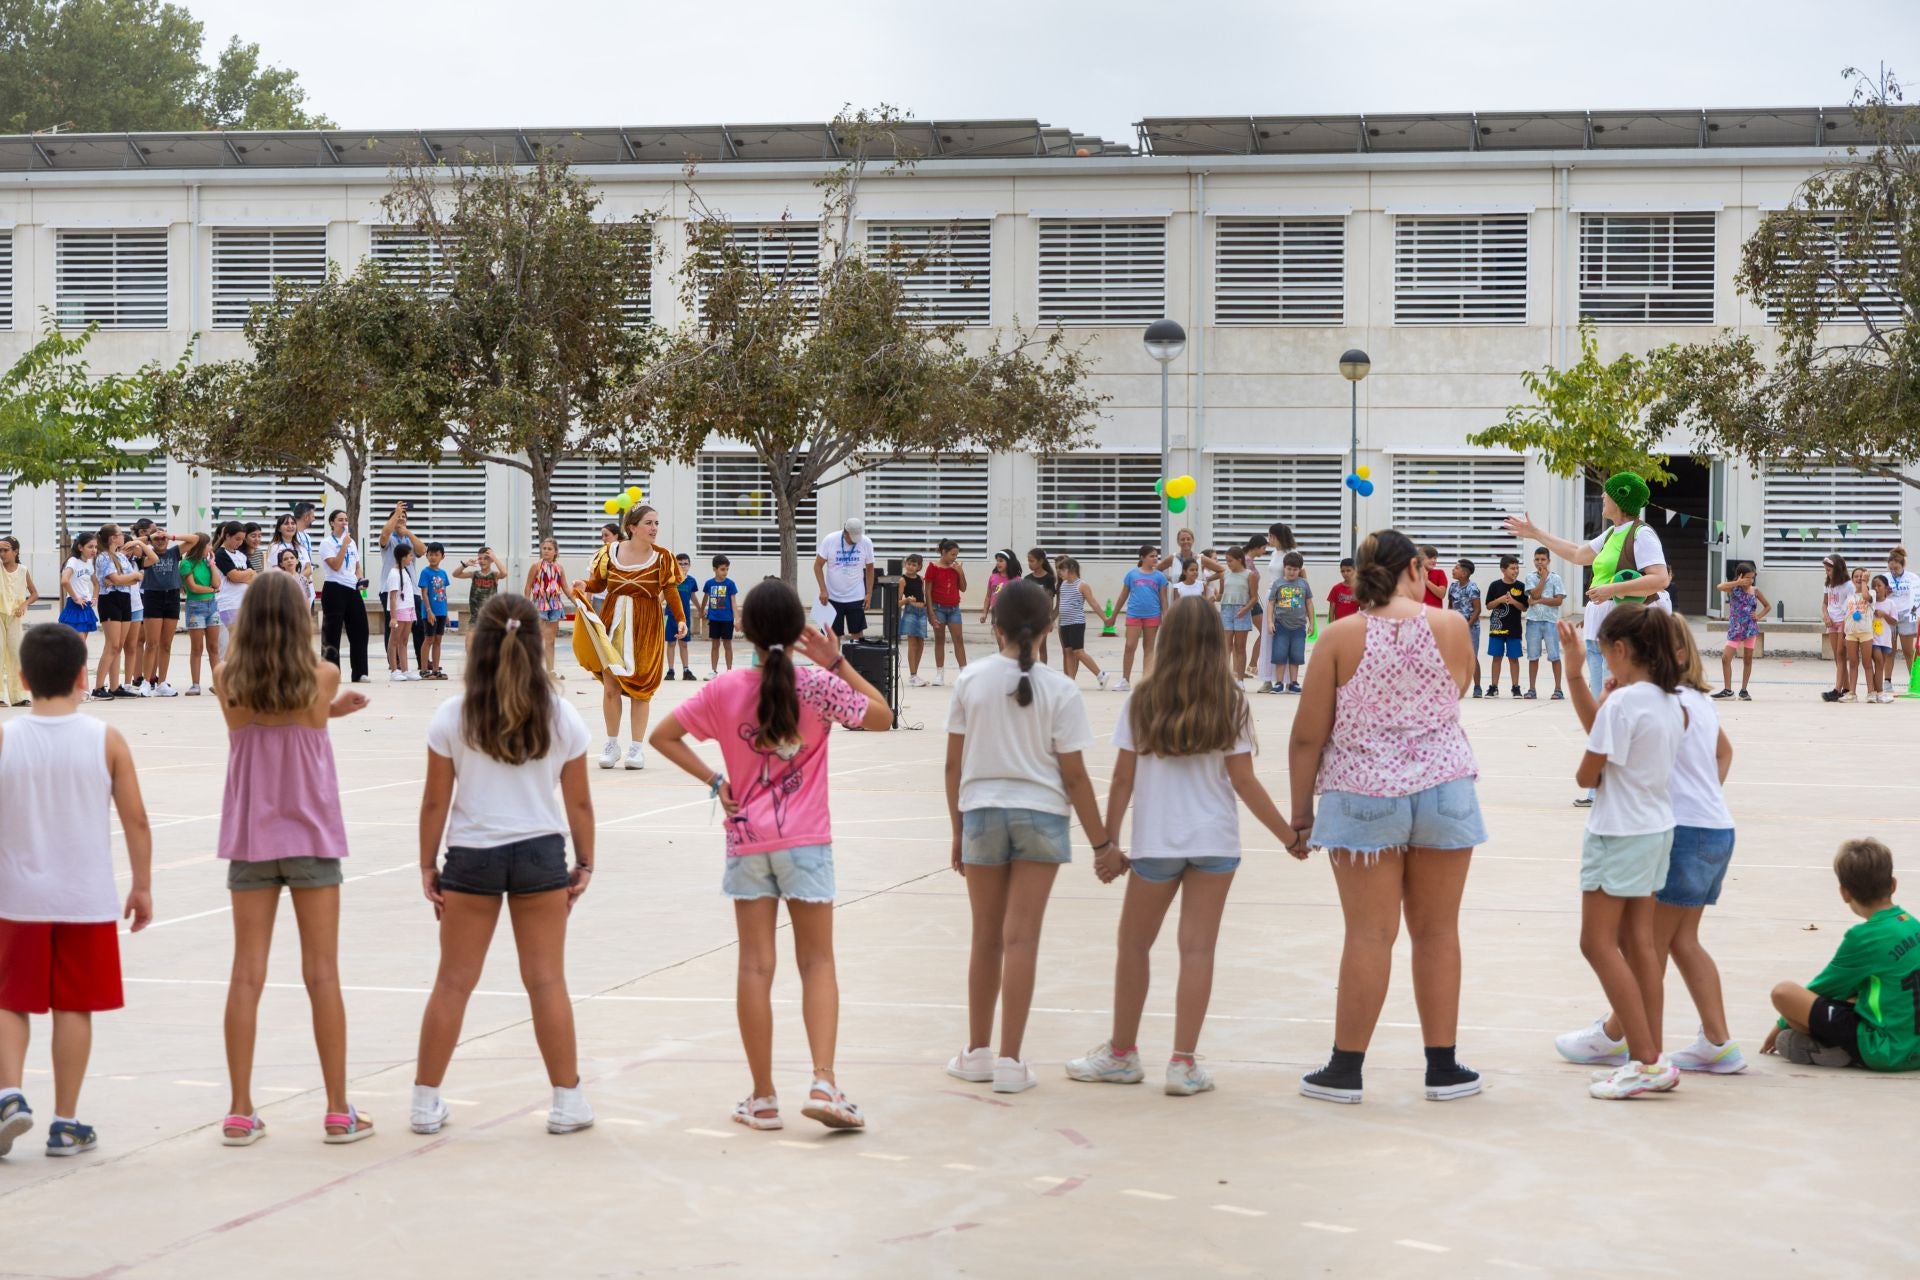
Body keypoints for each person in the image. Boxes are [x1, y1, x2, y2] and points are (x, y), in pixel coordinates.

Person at [649, 580, 892, 1131]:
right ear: (797, 628)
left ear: (743, 629)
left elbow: (664, 736)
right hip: (807, 843)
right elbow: (881, 715)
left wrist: (716, 781)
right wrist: (836, 662)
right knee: (817, 962)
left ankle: (762, 1098)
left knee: (756, 966)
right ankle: (824, 1082)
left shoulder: (723, 689)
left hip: (748, 842)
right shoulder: (818, 686)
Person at [1067, 598, 1305, 1097]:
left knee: (1134, 945)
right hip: (1215, 841)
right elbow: (1244, 781)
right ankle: (1183, 1063)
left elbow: (1123, 778)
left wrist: (1107, 844)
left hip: (1157, 842)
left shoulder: (1144, 698)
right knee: (1197, 949)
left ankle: (1122, 1054)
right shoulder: (1230, 699)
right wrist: (1289, 837)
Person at [1288, 530, 1487, 1106]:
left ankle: (1345, 1069)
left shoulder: (1339, 635)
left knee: (1369, 934)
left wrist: (1301, 815)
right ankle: (1443, 1068)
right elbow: (1459, 688)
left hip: (1361, 792)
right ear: (1415, 569)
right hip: (1444, 787)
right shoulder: (1450, 625)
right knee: (1438, 930)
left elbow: (1307, 736)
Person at [413, 594, 597, 1137]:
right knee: (546, 981)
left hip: (473, 855)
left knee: (453, 982)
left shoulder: (454, 714)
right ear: (539, 642)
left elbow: (434, 802)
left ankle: (425, 1102)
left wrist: (427, 865)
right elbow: (579, 803)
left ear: (478, 642)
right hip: (540, 853)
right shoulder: (561, 715)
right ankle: (568, 1102)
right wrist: (585, 862)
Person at [211, 572, 374, 1147]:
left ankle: (239, 1110)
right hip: (310, 835)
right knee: (322, 973)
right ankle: (337, 1109)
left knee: (246, 973)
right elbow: (303, 712)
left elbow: (264, 721)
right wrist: (332, 711)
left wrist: (328, 712)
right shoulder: (322, 677)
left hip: (251, 837)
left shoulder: (226, 678)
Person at [1557, 615, 1746, 1075]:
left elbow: (1596, 751)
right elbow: (1724, 752)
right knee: (1681, 941)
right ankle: (1717, 1041)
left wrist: (1578, 678)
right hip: (1715, 826)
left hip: (1674, 830)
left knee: (1647, 947)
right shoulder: (1693, 703)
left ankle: (1621, 1037)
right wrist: (1706, 795)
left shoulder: (1645, 701)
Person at [945, 581, 1110, 1093]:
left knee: (985, 937)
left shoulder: (970, 679)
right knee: (1021, 939)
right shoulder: (1061, 689)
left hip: (981, 811)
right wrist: (1102, 844)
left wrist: (957, 829)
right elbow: (1075, 776)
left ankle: (977, 1051)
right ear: (1049, 628)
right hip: (1041, 815)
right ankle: (1011, 1062)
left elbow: (953, 766)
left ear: (995, 626)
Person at [0, 624, 154, 1159]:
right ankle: (65, 1124)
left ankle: (9, 1094)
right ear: (84, 676)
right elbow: (136, 819)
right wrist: (142, 885)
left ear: (24, 678)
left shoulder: (6, 738)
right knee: (74, 1006)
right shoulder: (105, 739)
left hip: (17, 898)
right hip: (84, 899)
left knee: (9, 1000)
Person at [1559, 604, 1686, 1100]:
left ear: (1620, 649)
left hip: (1618, 832)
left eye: (1604, 653)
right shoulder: (1670, 701)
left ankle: (1646, 1059)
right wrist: (1588, 687)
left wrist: (1598, 695)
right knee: (1639, 946)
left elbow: (1587, 775)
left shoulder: (1623, 704)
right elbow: (1616, 747)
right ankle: (1651, 1056)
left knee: (1596, 944)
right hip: (1656, 829)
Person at [1504, 473, 1671, 804]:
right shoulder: (1612, 533)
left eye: (1607, 495)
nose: (1602, 499)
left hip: (1622, 636)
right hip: (1599, 636)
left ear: (1620, 500)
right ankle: (1602, 784)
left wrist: (1611, 589)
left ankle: (1616, 785)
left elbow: (1660, 579)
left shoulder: (1642, 534)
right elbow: (1578, 554)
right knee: (1601, 711)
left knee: (1615, 711)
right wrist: (1536, 533)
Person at [1764, 838, 1920, 1071]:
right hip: (1914, 1045)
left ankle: (1837, 1048)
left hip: (1886, 1051)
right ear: (1893, 884)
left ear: (1844, 893)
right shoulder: (1912, 924)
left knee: (1784, 993)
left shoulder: (1863, 937)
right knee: (1861, 991)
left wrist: (1780, 1024)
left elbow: (1821, 989)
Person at [573, 503, 686, 770]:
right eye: (649, 523)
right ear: (632, 527)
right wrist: (585, 585)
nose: (654, 528)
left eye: (656, 523)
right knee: (611, 687)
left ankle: (636, 748)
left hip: (647, 624)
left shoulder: (663, 557)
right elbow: (599, 583)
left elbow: (670, 590)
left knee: (642, 688)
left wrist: (681, 618)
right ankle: (612, 745)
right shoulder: (610, 552)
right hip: (614, 621)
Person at [92, 525, 146, 700]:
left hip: (124, 598)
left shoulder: (121, 556)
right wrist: (129, 578)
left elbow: (132, 580)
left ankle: (115, 686)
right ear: (113, 538)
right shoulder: (103, 557)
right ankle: (98, 686)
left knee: (119, 645)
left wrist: (126, 579)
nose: (124, 536)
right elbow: (116, 579)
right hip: (110, 600)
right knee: (112, 644)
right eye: (121, 534)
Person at [318, 510, 370, 684]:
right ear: (332, 522)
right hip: (334, 587)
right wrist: (344, 545)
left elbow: (357, 566)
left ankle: (360, 672)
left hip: (352, 588)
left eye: (346, 519)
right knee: (332, 633)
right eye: (340, 520)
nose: (344, 522)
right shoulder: (326, 543)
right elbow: (335, 565)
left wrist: (360, 578)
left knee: (360, 630)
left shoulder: (351, 542)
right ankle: (331, 673)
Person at [1115, 543, 1169, 692]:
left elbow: (1164, 600)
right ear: (1142, 558)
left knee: (1149, 649)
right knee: (1130, 646)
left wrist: (1166, 617)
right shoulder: (1132, 575)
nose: (1155, 558)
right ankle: (1125, 680)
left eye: (1156, 556)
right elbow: (1122, 596)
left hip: (1153, 616)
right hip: (1134, 615)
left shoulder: (1160, 577)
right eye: (1151, 556)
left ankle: (1146, 682)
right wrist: (1113, 616)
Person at [136, 528, 183, 696]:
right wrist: (150, 537)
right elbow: (133, 542)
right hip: (153, 596)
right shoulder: (146, 553)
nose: (161, 541)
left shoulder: (174, 552)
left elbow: (196, 539)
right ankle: (146, 681)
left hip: (172, 596)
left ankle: (162, 682)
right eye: (158, 539)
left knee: (166, 644)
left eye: (164, 538)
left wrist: (172, 535)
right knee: (152, 643)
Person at [813, 517, 876, 639]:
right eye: (851, 538)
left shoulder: (866, 542)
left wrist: (869, 593)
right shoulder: (830, 540)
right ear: (845, 532)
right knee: (833, 636)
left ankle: (856, 652)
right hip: (833, 597)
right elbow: (817, 566)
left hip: (856, 596)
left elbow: (870, 568)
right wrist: (823, 590)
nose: (854, 541)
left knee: (857, 634)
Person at [1714, 562, 1768, 700]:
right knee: (1726, 658)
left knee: (1748, 659)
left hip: (1750, 629)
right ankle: (1728, 691)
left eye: (1752, 577)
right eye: (1748, 577)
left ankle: (1744, 691)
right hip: (1735, 629)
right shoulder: (1734, 589)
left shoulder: (1755, 591)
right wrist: (1736, 583)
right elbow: (1719, 586)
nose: (1750, 580)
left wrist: (1758, 616)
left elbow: (1768, 606)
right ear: (1740, 576)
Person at [1254, 524, 1297, 692]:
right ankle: (1267, 679)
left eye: (1271, 536)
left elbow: (1301, 575)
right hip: (1271, 595)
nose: (1269, 539)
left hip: (1287, 595)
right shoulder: (1274, 554)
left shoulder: (1292, 554)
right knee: (1268, 636)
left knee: (1285, 637)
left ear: (1278, 537)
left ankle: (1287, 680)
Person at [1054, 557, 1107, 689]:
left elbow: (1093, 603)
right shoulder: (1063, 585)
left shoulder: (1082, 585)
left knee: (1078, 652)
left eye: (1062, 570)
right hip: (1064, 623)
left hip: (1076, 622)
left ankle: (1100, 674)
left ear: (1071, 569)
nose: (1059, 573)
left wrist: (1105, 619)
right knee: (1068, 652)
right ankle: (1071, 681)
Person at [178, 532, 221, 695]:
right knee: (197, 647)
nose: (210, 548)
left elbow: (217, 583)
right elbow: (193, 588)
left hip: (212, 606)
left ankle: (217, 683)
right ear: (199, 546)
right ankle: (195, 684)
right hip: (195, 606)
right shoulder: (186, 564)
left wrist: (212, 564)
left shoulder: (207, 563)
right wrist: (212, 590)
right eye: (208, 545)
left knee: (213, 647)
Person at [1266, 552, 1313, 694]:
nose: (1292, 572)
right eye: (1289, 568)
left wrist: (1312, 623)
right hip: (1281, 625)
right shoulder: (1278, 583)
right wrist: (1270, 621)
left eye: (1295, 569)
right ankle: (1279, 683)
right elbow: (1271, 603)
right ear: (1284, 568)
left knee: (1296, 656)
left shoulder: (1304, 584)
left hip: (1299, 627)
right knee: (1280, 655)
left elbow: (1309, 603)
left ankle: (1293, 683)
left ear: (1300, 570)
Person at [1522, 547, 1566, 700]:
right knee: (1533, 656)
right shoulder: (1530, 577)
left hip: (1550, 621)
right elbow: (1533, 594)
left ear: (1549, 561)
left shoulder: (1556, 578)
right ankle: (1532, 689)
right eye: (1537, 559)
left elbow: (1558, 601)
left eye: (1543, 559)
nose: (1540, 562)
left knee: (1554, 655)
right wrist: (1542, 579)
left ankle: (1558, 689)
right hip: (1533, 621)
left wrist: (1539, 600)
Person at [1484, 555, 1528, 699]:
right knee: (1496, 657)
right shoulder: (1495, 585)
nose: (1515, 571)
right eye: (1512, 568)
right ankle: (1493, 687)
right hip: (1497, 629)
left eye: (1517, 568)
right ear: (1503, 570)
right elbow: (1488, 606)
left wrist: (1514, 602)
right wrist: (1500, 600)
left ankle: (1515, 687)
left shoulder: (1521, 586)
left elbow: (1524, 607)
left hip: (1514, 629)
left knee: (1513, 658)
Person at [525, 538, 570, 679]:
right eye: (544, 548)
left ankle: (550, 671)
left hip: (555, 605)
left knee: (550, 640)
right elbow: (528, 587)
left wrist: (577, 602)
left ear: (555, 552)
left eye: (549, 549)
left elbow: (565, 587)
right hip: (539, 605)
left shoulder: (559, 568)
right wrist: (527, 606)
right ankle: (534, 670)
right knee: (537, 638)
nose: (546, 551)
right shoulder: (536, 566)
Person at [925, 540, 969, 683]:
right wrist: (930, 612)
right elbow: (927, 591)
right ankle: (940, 673)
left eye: (956, 555)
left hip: (954, 608)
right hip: (938, 608)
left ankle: (964, 672)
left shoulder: (955, 568)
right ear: (943, 552)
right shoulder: (933, 567)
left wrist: (960, 573)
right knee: (939, 639)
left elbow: (963, 588)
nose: (954, 558)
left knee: (958, 639)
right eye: (952, 554)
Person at [0, 537, 37, 706]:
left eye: (5, 550)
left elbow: (34, 593)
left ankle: (19, 696)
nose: (2, 554)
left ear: (15, 552)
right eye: (0, 550)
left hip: (14, 618)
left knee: (16, 655)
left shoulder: (23, 570)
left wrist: (24, 604)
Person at [57, 533, 99, 677]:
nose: (94, 550)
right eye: (90, 547)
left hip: (85, 606)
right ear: (80, 547)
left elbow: (96, 583)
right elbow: (64, 581)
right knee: (78, 647)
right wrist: (76, 597)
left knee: (80, 647)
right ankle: (74, 679)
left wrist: (95, 597)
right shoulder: (73, 561)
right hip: (75, 606)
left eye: (96, 547)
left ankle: (77, 680)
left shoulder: (89, 563)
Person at [212, 520, 256, 648]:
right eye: (237, 539)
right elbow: (234, 576)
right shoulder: (220, 554)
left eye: (242, 540)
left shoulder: (241, 556)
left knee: (242, 643)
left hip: (243, 603)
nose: (240, 543)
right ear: (227, 536)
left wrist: (244, 574)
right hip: (227, 603)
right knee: (230, 643)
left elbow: (255, 576)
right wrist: (247, 573)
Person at [1217, 545, 1257, 685]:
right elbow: (1221, 594)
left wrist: (1245, 609)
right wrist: (1212, 597)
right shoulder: (1224, 575)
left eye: (1230, 561)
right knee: (1226, 646)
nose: (1228, 564)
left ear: (1239, 559)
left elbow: (1254, 597)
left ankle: (1240, 680)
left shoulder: (1249, 575)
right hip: (1226, 610)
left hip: (1242, 611)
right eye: (1226, 561)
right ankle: (1225, 679)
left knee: (1240, 647)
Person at [1447, 558, 1483, 698]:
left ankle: (1477, 687)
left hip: (1471, 628)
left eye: (1456, 568)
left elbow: (1477, 609)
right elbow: (1450, 606)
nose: (1453, 570)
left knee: (1472, 657)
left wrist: (1467, 626)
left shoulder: (1472, 588)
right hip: (1455, 628)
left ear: (1464, 573)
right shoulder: (1453, 587)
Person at [385, 541, 419, 683]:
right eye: (410, 555)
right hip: (399, 611)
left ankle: (405, 670)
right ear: (402, 557)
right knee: (394, 641)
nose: (412, 558)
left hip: (409, 609)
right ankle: (394, 670)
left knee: (404, 641)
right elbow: (393, 597)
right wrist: (393, 617)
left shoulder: (405, 571)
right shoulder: (394, 574)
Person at [416, 544, 451, 680]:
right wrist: (429, 611)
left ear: (442, 556)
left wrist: (446, 613)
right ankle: (424, 670)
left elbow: (444, 593)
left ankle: (436, 670)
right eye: (430, 554)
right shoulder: (425, 572)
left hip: (441, 612)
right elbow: (424, 594)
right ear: (427, 556)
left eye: (436, 554)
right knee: (429, 639)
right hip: (430, 613)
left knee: (438, 640)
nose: (433, 557)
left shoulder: (443, 573)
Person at [1820, 554, 1851, 702]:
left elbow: (1851, 606)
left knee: (1841, 654)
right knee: (1837, 657)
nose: (1827, 573)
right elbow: (1825, 603)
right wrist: (1826, 615)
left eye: (1829, 570)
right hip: (1831, 623)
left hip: (1843, 622)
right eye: (1826, 570)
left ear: (1838, 569)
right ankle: (1847, 687)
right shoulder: (1828, 584)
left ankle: (1837, 690)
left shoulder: (1848, 585)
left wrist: (1844, 625)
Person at [664, 552, 699, 682]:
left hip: (685, 617)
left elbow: (693, 597)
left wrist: (701, 609)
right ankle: (670, 670)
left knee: (683, 644)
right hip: (670, 615)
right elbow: (663, 595)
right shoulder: (671, 580)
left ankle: (686, 670)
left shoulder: (691, 581)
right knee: (671, 643)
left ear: (689, 565)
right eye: (680, 564)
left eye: (686, 564)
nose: (683, 566)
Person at [1886, 547, 1917, 686]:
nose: (1893, 571)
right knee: (1889, 651)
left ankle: (1914, 682)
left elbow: (1918, 598)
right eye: (1891, 568)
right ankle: (1887, 682)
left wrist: (1917, 615)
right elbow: (1877, 596)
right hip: (1889, 617)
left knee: (1908, 652)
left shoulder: (1912, 578)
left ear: (1903, 565)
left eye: (1896, 568)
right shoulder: (1885, 578)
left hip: (1906, 616)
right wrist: (1884, 593)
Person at [900, 553, 931, 687]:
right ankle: (912, 675)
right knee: (912, 643)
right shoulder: (902, 580)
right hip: (911, 611)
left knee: (921, 643)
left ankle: (915, 674)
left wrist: (928, 609)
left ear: (919, 567)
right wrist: (907, 600)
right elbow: (897, 601)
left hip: (921, 612)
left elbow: (923, 595)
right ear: (905, 564)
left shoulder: (921, 579)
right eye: (908, 564)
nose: (910, 567)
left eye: (914, 565)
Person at [704, 555, 737, 679]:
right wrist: (702, 611)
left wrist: (737, 619)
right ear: (715, 569)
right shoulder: (709, 583)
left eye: (727, 569)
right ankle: (714, 671)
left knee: (727, 645)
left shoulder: (730, 584)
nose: (725, 572)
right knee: (715, 645)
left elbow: (733, 602)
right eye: (722, 569)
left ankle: (729, 671)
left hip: (727, 619)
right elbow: (705, 598)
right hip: (714, 619)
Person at [454, 546, 504, 626]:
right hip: (475, 619)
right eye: (480, 558)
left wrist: (495, 558)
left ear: (491, 560)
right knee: (471, 634)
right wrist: (465, 565)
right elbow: (455, 574)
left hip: (491, 618)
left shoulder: (494, 575)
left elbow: (504, 573)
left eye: (486, 558)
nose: (482, 561)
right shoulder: (474, 574)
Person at [1024, 549, 1057, 664]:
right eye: (1028, 561)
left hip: (1042, 618)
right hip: (1029, 618)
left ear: (1041, 561)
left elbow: (1050, 600)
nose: (1029, 564)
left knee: (1042, 647)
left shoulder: (1049, 579)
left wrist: (1050, 619)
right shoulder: (1027, 579)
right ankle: (1030, 669)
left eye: (1032, 561)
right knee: (1030, 647)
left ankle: (1043, 669)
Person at [1870, 574, 1900, 703]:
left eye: (1879, 585)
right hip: (1872, 639)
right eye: (1874, 586)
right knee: (1879, 662)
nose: (1876, 588)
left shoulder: (1890, 603)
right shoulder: (1870, 603)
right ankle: (1879, 692)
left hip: (1885, 640)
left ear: (1886, 588)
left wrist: (1884, 615)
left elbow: (1894, 621)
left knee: (1880, 666)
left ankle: (1875, 691)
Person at [981, 550, 1015, 625]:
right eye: (997, 561)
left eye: (1001, 561)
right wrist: (984, 614)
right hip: (996, 613)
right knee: (997, 632)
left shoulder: (1017, 579)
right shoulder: (993, 577)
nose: (998, 563)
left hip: (1012, 614)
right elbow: (988, 597)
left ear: (1009, 562)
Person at [1326, 557, 1358, 624]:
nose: (1345, 573)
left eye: (1348, 570)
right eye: (1343, 571)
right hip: (1339, 625)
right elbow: (1331, 610)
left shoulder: (1359, 589)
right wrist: (1331, 626)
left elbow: (1364, 609)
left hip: (1354, 625)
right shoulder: (1336, 588)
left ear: (1355, 570)